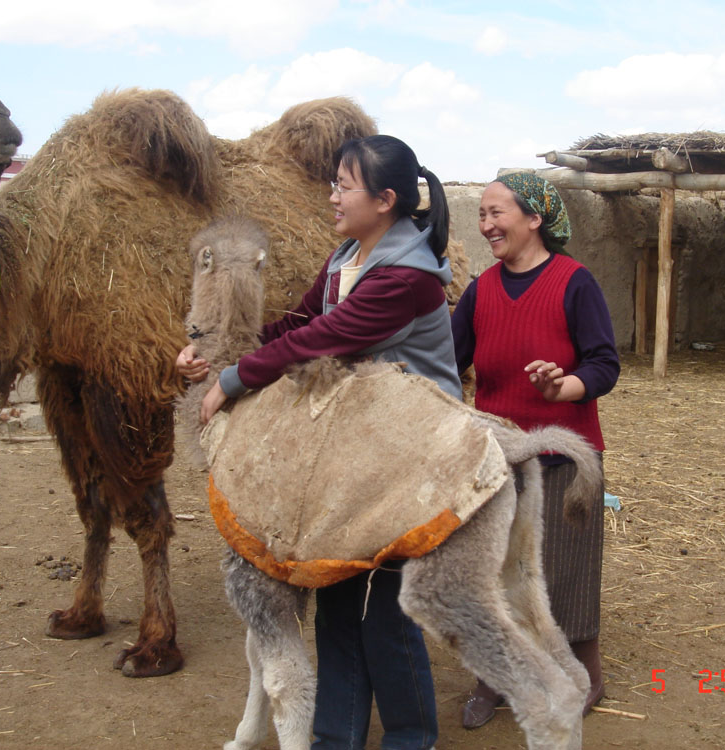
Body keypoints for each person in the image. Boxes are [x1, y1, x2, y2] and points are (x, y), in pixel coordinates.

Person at [177, 134, 457, 750]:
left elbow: (323, 340)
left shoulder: (407, 279)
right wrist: (217, 348)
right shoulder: (347, 258)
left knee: (383, 609)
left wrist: (233, 378)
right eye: (333, 183)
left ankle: (410, 738)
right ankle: (335, 737)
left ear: (384, 200)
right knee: (334, 596)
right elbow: (298, 324)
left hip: (407, 455)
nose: (331, 196)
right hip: (354, 447)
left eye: (343, 186)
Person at [451, 171, 619, 729]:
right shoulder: (480, 289)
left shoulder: (574, 283)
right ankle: (494, 676)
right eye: (481, 214)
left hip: (565, 456)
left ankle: (584, 671)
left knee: (564, 568)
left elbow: (603, 364)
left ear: (534, 218)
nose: (486, 224)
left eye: (496, 212)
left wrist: (560, 386)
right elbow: (451, 360)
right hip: (498, 458)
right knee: (496, 569)